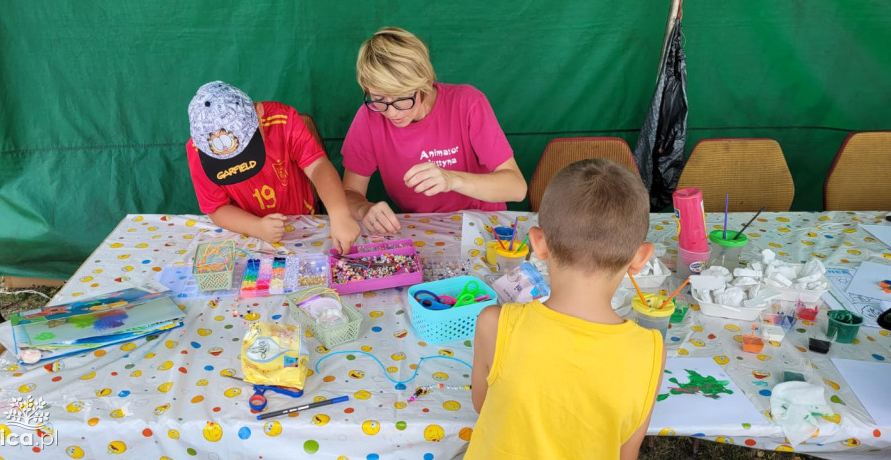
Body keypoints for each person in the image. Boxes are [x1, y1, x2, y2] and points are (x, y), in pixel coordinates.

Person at [466, 159, 665, 459]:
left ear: (538, 244)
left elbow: (483, 405)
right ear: (641, 258)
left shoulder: (493, 324)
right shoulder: (651, 350)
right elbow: (626, 451)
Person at [341, 27, 526, 235]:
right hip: (423, 232)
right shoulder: (370, 116)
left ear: (424, 82)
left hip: (483, 227)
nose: (391, 112)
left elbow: (517, 187)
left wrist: (452, 179)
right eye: (379, 99)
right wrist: (364, 208)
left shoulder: (467, 103)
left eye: (402, 99)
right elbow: (349, 193)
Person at [185, 81, 359, 253]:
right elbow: (216, 208)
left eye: (247, 149)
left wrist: (339, 213)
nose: (239, 162)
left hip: (303, 222)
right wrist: (255, 227)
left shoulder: (282, 121)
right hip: (249, 233)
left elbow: (317, 166)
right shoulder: (198, 153)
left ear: (258, 112)